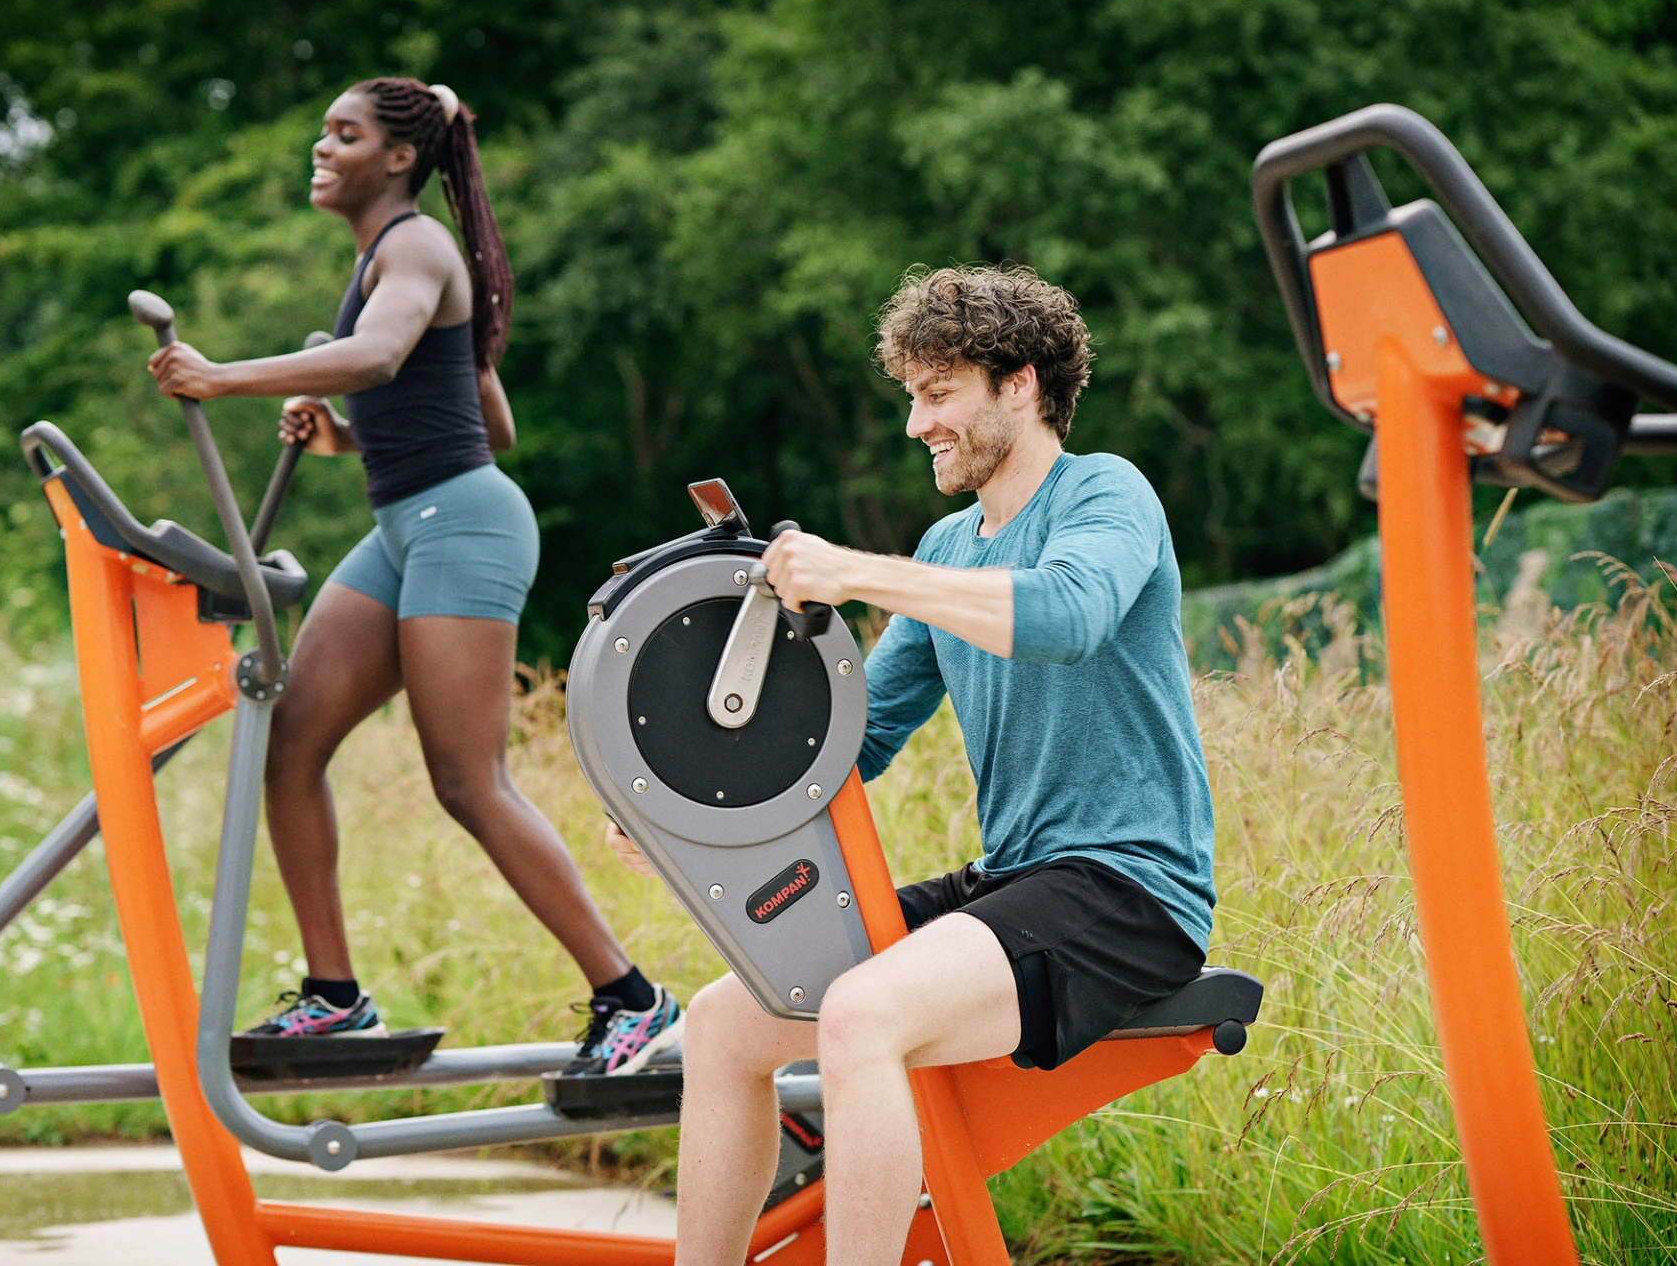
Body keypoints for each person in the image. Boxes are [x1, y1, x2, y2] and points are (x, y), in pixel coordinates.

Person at [605, 264, 1217, 1262]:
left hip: (1129, 887)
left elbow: (1065, 614)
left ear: (1017, 382)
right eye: (911, 397)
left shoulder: (1105, 492)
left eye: (938, 395)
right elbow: (851, 744)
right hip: (1016, 879)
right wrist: (686, 812)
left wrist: (856, 570)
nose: (915, 423)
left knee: (860, 1014)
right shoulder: (949, 544)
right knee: (723, 1023)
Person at [147, 77, 679, 1077]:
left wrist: (221, 376)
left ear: (397, 158)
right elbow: (490, 414)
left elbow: (385, 354)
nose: (321, 146)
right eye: (322, 131)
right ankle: (335, 996)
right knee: (289, 741)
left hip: (464, 527)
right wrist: (347, 433)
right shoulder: (391, 259)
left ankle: (633, 998)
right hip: (405, 527)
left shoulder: (417, 247)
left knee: (466, 779)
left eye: (342, 133)